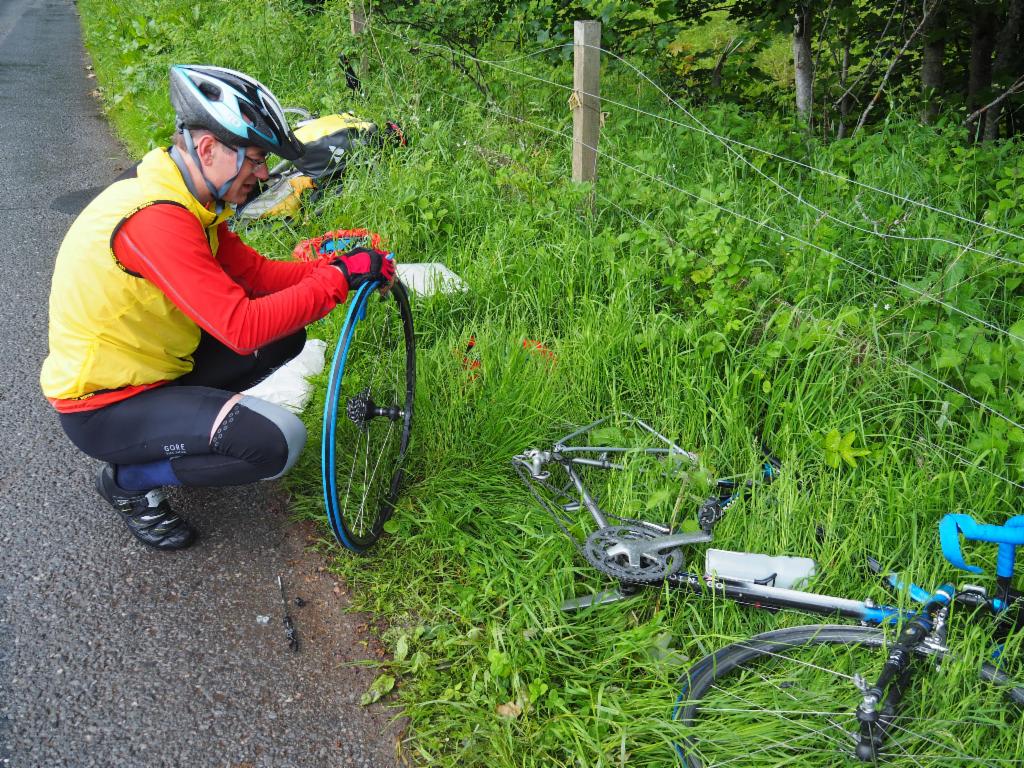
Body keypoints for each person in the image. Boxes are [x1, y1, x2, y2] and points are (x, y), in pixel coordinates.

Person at [40, 64, 396, 551]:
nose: (265, 173)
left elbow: (257, 277)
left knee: (286, 332)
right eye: (254, 158)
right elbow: (241, 329)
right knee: (277, 443)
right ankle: (129, 482)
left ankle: (187, 430)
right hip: (105, 407)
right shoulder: (156, 221)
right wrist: (337, 280)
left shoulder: (186, 199)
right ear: (208, 149)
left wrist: (342, 268)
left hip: (156, 369)